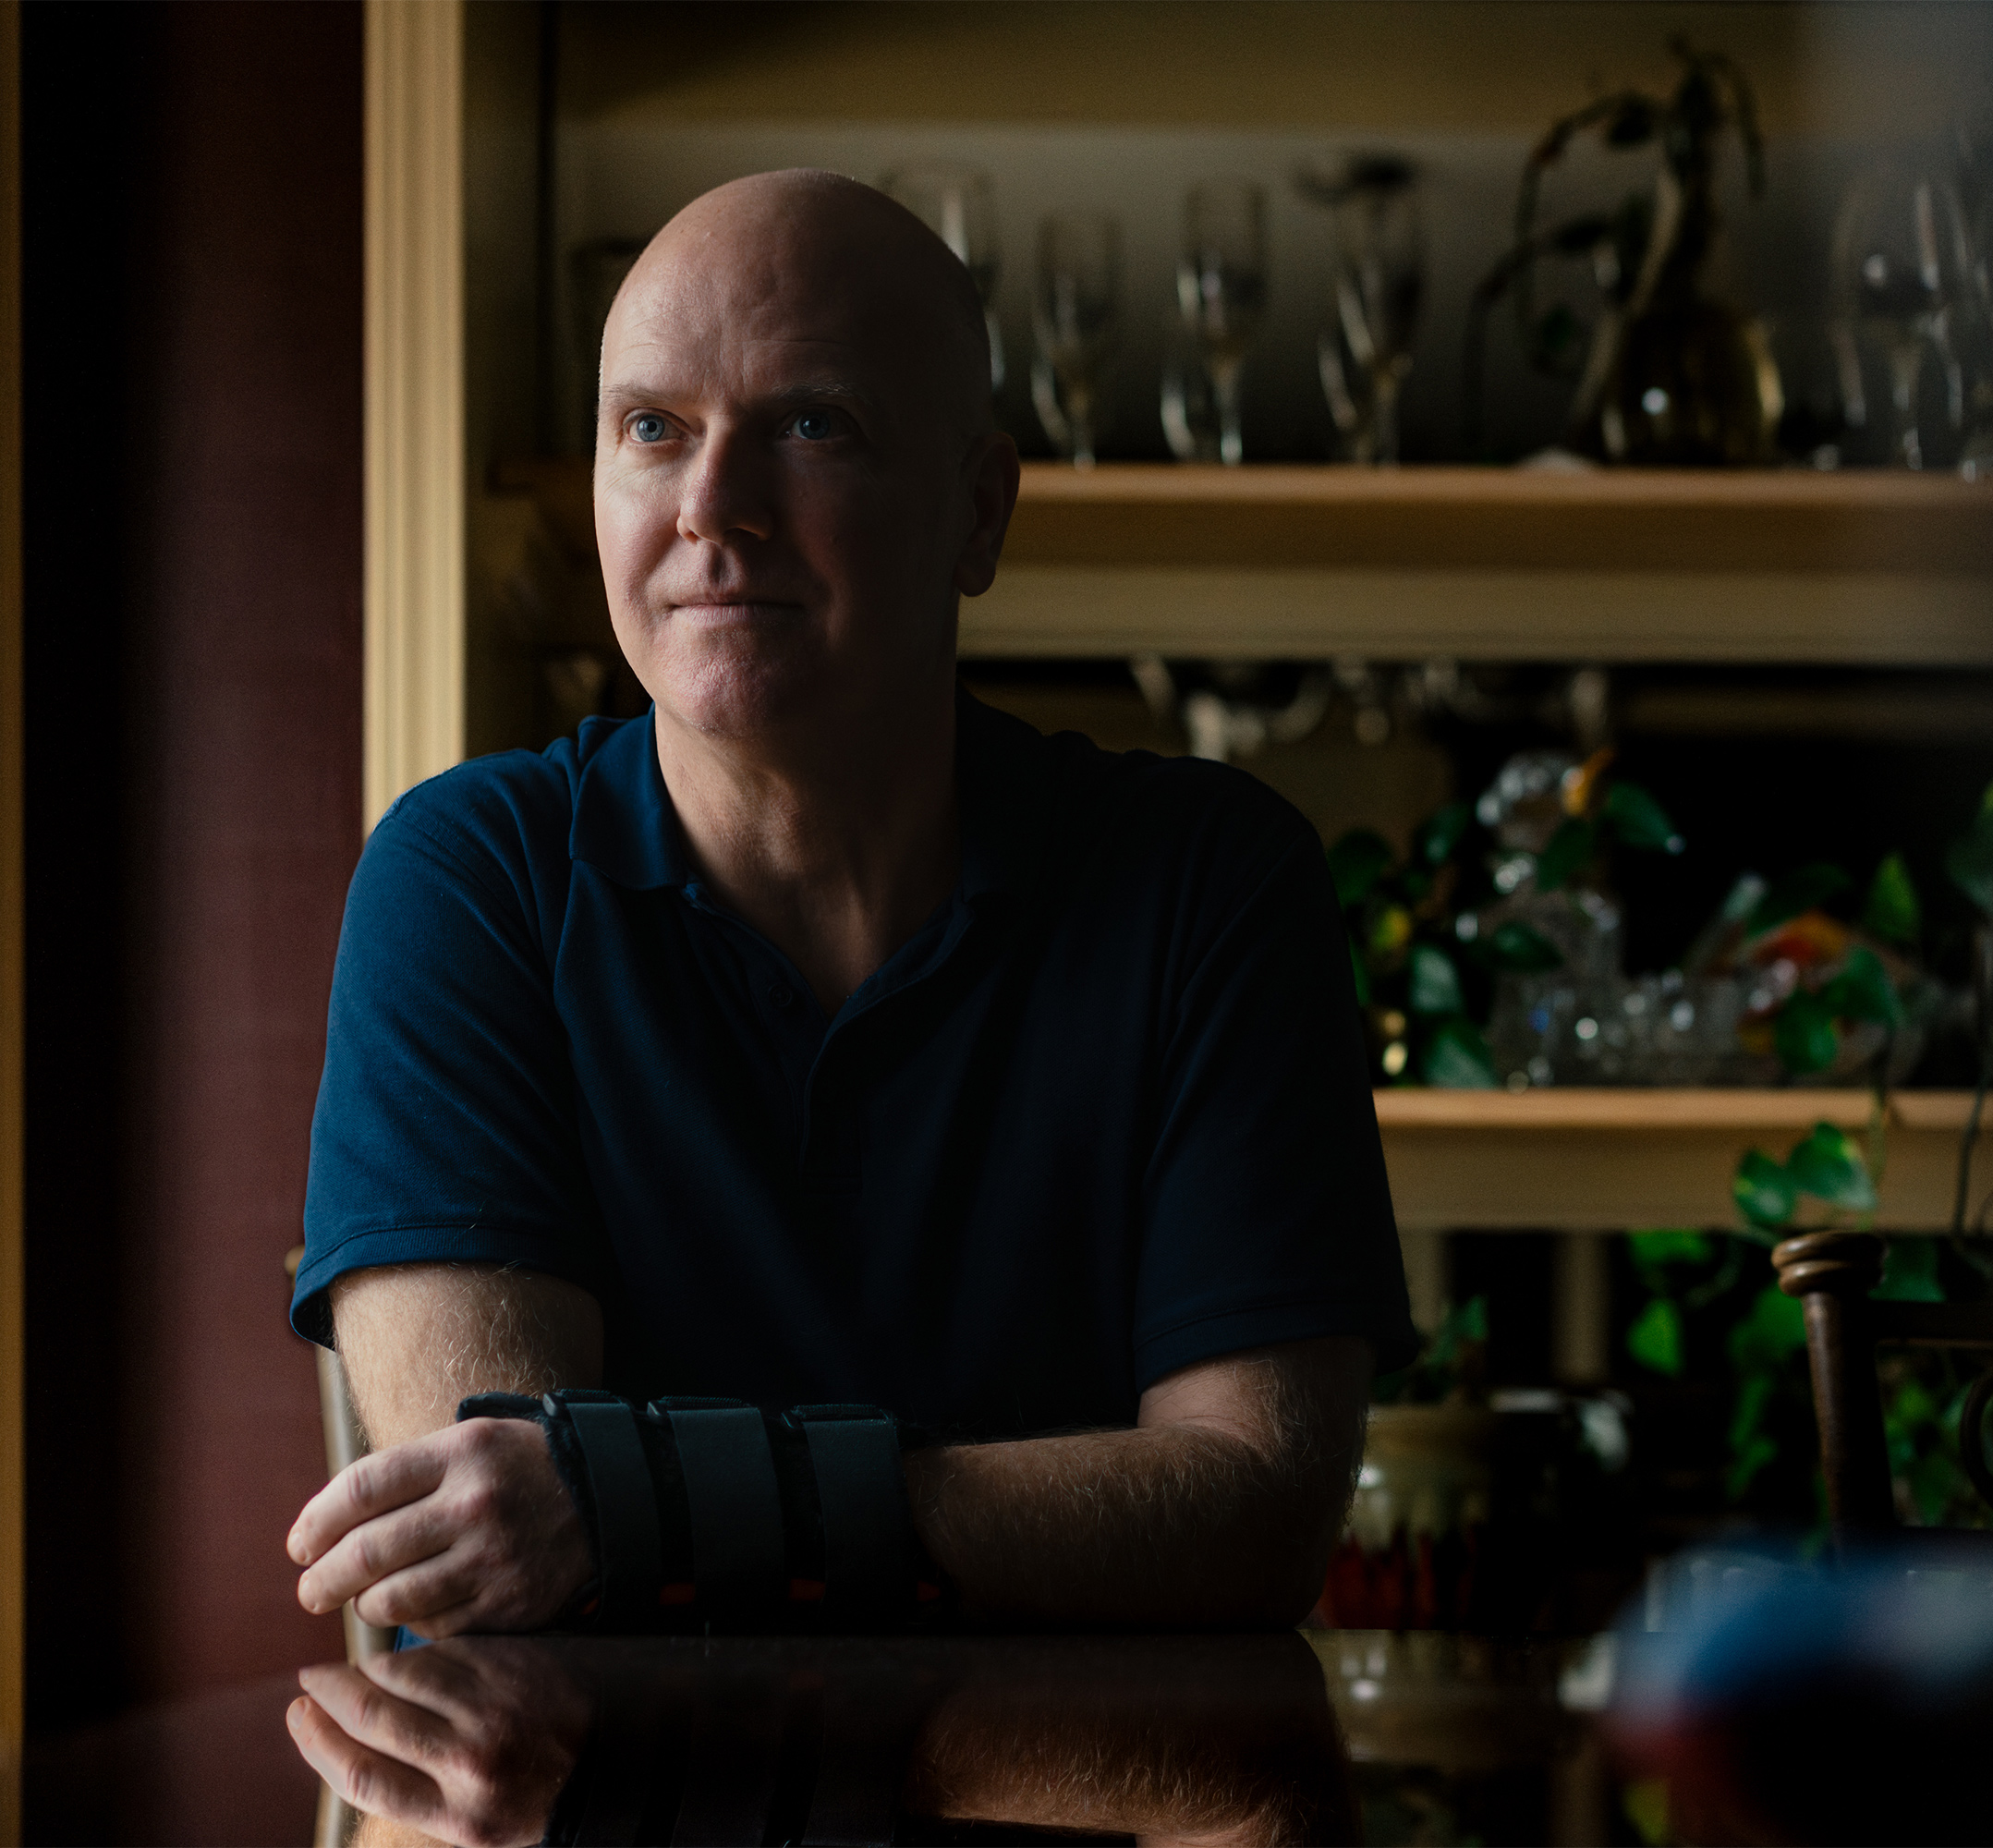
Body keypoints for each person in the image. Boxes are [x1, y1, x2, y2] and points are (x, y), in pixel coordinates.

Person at [284, 170, 1416, 1637]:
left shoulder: (1208, 883)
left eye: (813, 424)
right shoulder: (471, 879)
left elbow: (1252, 1516)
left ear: (978, 515)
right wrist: (952, 1516)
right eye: (653, 430)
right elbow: (499, 1544)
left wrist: (669, 1504)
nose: (712, 508)